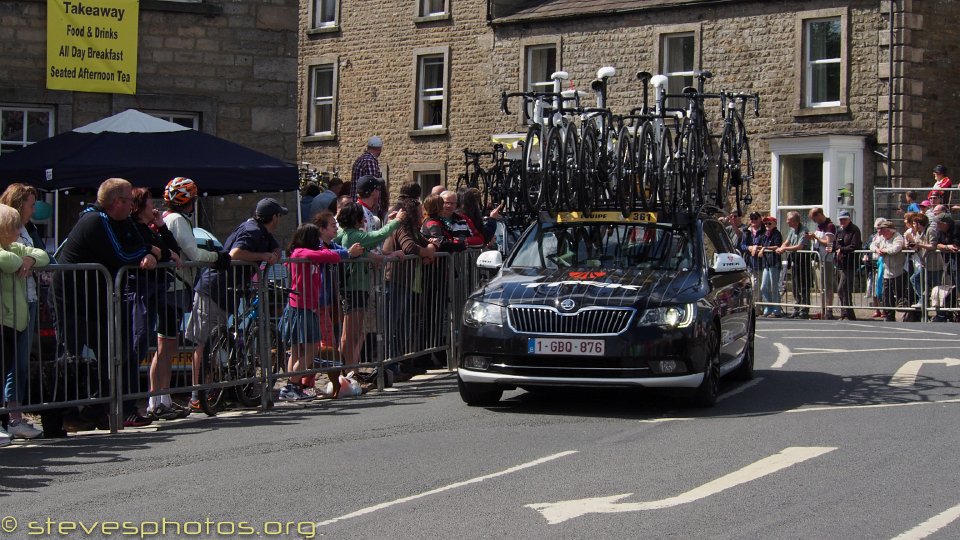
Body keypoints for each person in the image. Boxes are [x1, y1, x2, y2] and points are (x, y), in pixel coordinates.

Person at [54, 178, 159, 429]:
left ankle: (100, 409)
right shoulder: (96, 220)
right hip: (74, 299)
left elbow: (138, 243)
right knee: (69, 355)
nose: (133, 206)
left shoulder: (120, 222)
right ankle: (63, 414)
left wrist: (151, 249)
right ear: (117, 202)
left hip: (98, 299)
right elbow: (120, 254)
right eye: (129, 202)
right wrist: (147, 252)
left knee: (112, 353)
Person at [186, 198, 286, 412]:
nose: (280, 220)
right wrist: (263, 255)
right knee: (204, 342)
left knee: (218, 340)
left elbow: (275, 247)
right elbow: (235, 254)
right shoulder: (251, 230)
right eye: (279, 216)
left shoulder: (261, 231)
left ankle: (213, 391)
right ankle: (197, 394)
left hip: (229, 292)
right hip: (213, 289)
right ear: (274, 217)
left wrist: (274, 253)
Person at [278, 220, 361, 401]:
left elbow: (326, 253)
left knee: (300, 352)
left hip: (306, 308)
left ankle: (294, 386)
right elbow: (329, 256)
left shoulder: (312, 253)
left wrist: (331, 251)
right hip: (301, 308)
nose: (319, 241)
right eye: (316, 238)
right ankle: (291, 386)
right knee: (310, 350)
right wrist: (346, 252)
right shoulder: (301, 252)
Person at [128, 188, 185, 421]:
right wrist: (160, 252)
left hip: (157, 291)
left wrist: (161, 226)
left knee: (155, 345)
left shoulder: (151, 228)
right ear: (140, 205)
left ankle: (160, 399)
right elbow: (160, 252)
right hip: (140, 291)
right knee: (138, 343)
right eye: (150, 202)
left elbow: (174, 249)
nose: (154, 206)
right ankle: (141, 401)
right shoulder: (134, 227)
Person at [334, 202, 405, 371]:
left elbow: (366, 249)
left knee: (353, 333)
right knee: (349, 335)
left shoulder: (346, 234)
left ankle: (350, 369)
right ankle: (347, 371)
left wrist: (372, 256)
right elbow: (378, 236)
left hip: (354, 288)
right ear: (357, 219)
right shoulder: (353, 235)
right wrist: (397, 222)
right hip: (354, 288)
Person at [0, 202, 49, 442]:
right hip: (3, 320)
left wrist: (29, 258)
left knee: (8, 369)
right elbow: (8, 261)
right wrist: (22, 259)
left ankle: (11, 421)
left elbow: (42, 255)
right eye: (14, 226)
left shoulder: (15, 246)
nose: (20, 231)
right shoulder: (8, 250)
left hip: (14, 322)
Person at [383, 197, 437, 379]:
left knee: (404, 325)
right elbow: (409, 247)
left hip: (406, 282)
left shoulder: (413, 229)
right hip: (396, 280)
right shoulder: (401, 227)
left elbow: (428, 241)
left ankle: (403, 363)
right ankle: (392, 367)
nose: (423, 214)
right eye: (420, 211)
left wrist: (430, 247)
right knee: (394, 326)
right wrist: (427, 252)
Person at [776, 211, 812, 319]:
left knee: (804, 286)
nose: (787, 222)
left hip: (804, 260)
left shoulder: (804, 230)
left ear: (795, 221)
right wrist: (781, 247)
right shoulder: (792, 230)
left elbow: (800, 246)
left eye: (789, 220)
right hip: (795, 260)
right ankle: (797, 308)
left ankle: (804, 310)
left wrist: (784, 248)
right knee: (796, 286)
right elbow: (787, 242)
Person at [872, 220, 909, 322]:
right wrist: (877, 250)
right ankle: (889, 315)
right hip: (886, 271)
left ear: (889, 230)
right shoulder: (882, 238)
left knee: (900, 294)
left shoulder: (898, 237)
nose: (881, 232)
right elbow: (872, 245)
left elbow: (895, 249)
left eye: (883, 230)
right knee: (886, 295)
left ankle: (903, 316)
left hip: (898, 271)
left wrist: (884, 250)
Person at [807, 207, 837, 319]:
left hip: (827, 259)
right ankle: (823, 309)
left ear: (819, 215)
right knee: (821, 286)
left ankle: (829, 309)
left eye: (814, 219)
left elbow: (828, 243)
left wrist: (815, 237)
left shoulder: (830, 226)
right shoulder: (819, 226)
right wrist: (812, 238)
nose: (814, 222)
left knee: (827, 285)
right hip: (818, 258)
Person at [834, 210, 862, 320]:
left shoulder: (854, 230)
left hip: (850, 264)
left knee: (843, 288)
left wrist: (842, 250)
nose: (842, 221)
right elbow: (836, 244)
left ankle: (846, 313)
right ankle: (847, 313)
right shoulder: (839, 230)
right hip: (840, 263)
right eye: (841, 219)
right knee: (843, 290)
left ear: (849, 219)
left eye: (844, 219)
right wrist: (836, 249)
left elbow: (855, 246)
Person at [351, 136, 385, 218]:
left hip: (356, 204)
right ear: (379, 149)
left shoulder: (360, 159)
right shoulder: (370, 161)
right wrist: (376, 206)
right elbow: (373, 187)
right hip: (366, 207)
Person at [757, 216, 783, 317]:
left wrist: (764, 248)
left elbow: (777, 245)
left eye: (769, 223)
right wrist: (757, 247)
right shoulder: (764, 235)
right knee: (763, 287)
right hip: (766, 263)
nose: (767, 225)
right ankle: (768, 308)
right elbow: (761, 244)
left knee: (774, 287)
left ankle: (776, 310)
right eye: (766, 224)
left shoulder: (777, 234)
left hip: (774, 263)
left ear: (774, 224)